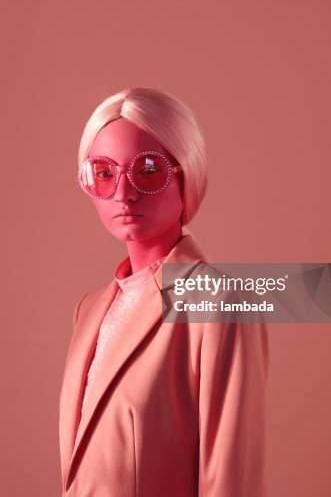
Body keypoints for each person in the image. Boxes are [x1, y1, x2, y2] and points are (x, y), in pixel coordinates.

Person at [58, 87, 269, 496]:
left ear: (186, 172)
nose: (123, 192)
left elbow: (231, 476)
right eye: (103, 173)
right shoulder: (89, 310)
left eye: (148, 168)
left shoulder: (219, 301)